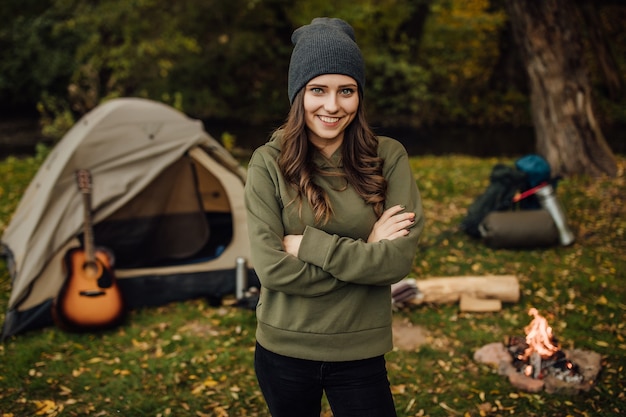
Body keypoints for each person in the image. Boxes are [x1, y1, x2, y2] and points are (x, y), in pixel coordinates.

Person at [244, 17, 424, 417]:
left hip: (359, 350)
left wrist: (310, 245)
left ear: (359, 96)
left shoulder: (388, 157)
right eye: (317, 90)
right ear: (298, 95)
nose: (332, 105)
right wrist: (367, 252)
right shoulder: (267, 163)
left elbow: (396, 262)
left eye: (346, 90)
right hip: (283, 349)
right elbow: (272, 271)